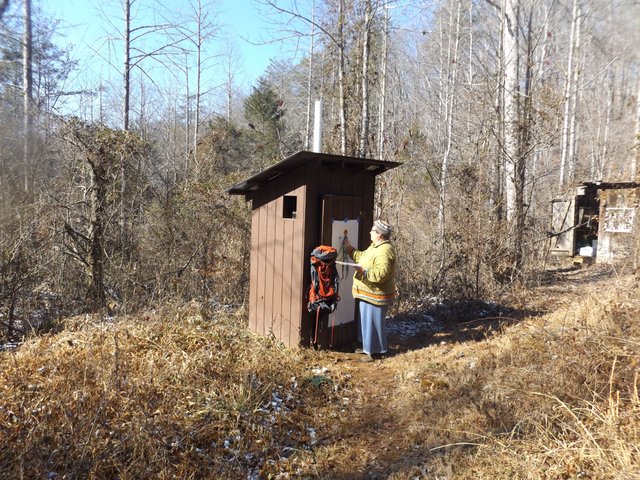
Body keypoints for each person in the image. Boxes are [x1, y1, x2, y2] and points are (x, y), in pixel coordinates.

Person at [343, 219, 397, 362]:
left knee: (374, 322)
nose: (370, 232)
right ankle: (366, 347)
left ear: (379, 234)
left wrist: (364, 272)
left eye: (373, 230)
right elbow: (363, 257)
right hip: (369, 293)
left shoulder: (384, 251)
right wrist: (349, 249)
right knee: (366, 321)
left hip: (377, 295)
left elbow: (381, 274)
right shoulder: (375, 247)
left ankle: (376, 352)